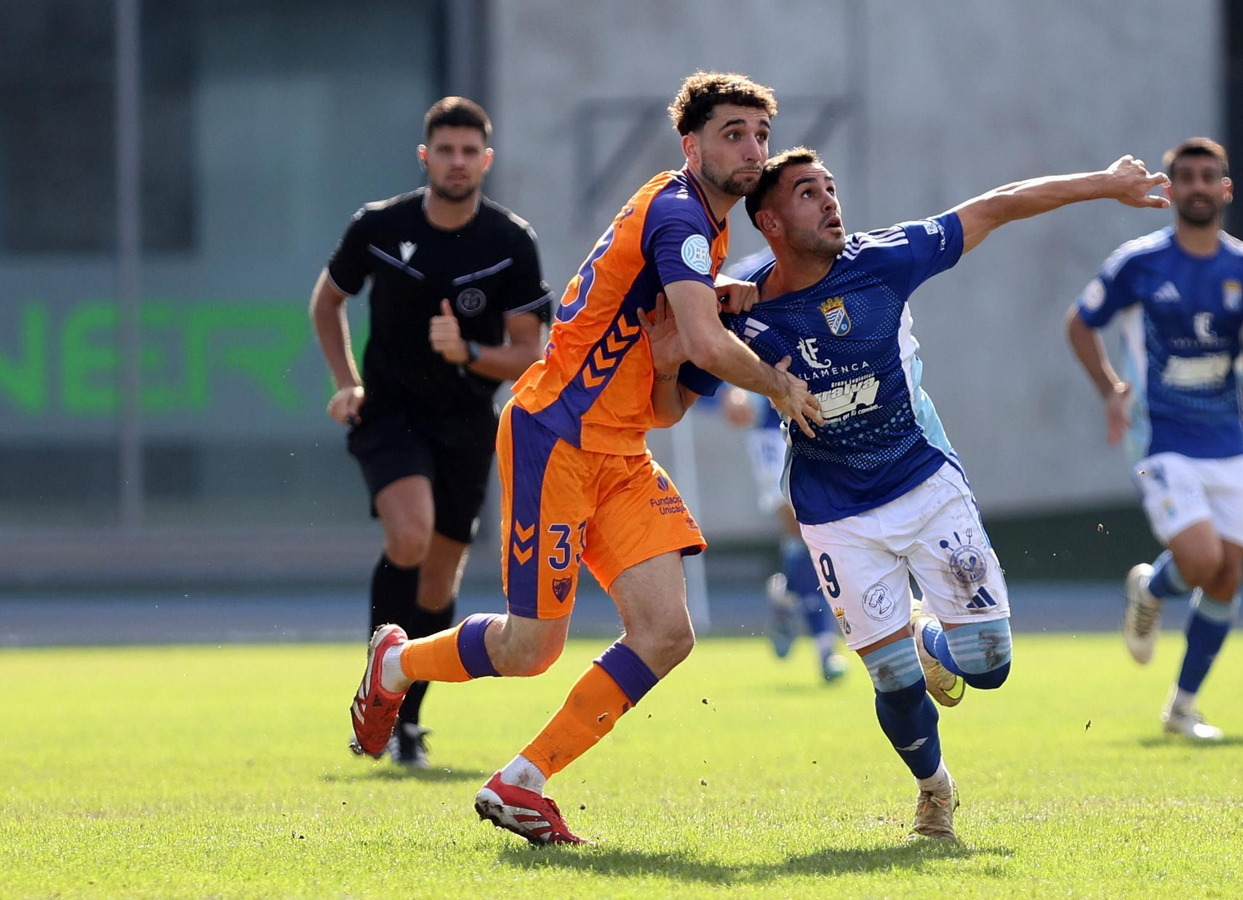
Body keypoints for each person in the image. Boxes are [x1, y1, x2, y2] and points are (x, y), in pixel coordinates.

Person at [345, 72, 821, 844]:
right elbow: (706, 339)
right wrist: (777, 385)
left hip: (621, 452)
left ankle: (521, 781)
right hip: (554, 439)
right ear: (690, 144)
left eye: (759, 135)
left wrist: (674, 363)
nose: (751, 148)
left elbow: (669, 398)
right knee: (532, 649)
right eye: (733, 133)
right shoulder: (679, 214)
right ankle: (396, 663)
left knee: (668, 631)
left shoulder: (709, 233)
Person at [649, 146, 1168, 840]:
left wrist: (1104, 185)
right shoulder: (738, 311)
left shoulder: (883, 260)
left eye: (832, 188)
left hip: (924, 482)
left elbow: (998, 202)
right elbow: (668, 403)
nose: (831, 201)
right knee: (891, 681)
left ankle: (929, 638)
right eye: (809, 193)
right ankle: (935, 791)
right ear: (768, 221)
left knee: (987, 667)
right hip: (833, 510)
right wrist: (669, 350)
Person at [311, 97, 551, 768]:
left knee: (439, 579)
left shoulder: (509, 242)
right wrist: (346, 382)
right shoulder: (380, 226)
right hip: (387, 414)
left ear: (486, 160)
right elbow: (327, 301)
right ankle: (376, 709)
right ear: (426, 157)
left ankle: (403, 713)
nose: (457, 162)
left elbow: (531, 351)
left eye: (469, 151)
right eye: (445, 150)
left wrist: (467, 354)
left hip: (468, 422)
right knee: (409, 536)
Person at [1065, 137, 1243, 742]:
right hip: (1161, 437)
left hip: (1228, 442)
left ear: (1226, 189)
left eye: (1210, 177)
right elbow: (1079, 323)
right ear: (1169, 190)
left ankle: (1183, 707)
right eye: (1187, 178)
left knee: (1227, 577)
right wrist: (1111, 388)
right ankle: (1152, 589)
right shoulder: (1138, 263)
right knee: (1202, 562)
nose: (1199, 187)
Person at [718, 250, 848, 683]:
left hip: (826, 416)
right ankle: (828, 649)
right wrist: (729, 391)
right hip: (771, 426)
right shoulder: (745, 277)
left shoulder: (840, 268)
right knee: (802, 525)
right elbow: (713, 334)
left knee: (822, 532)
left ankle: (788, 595)